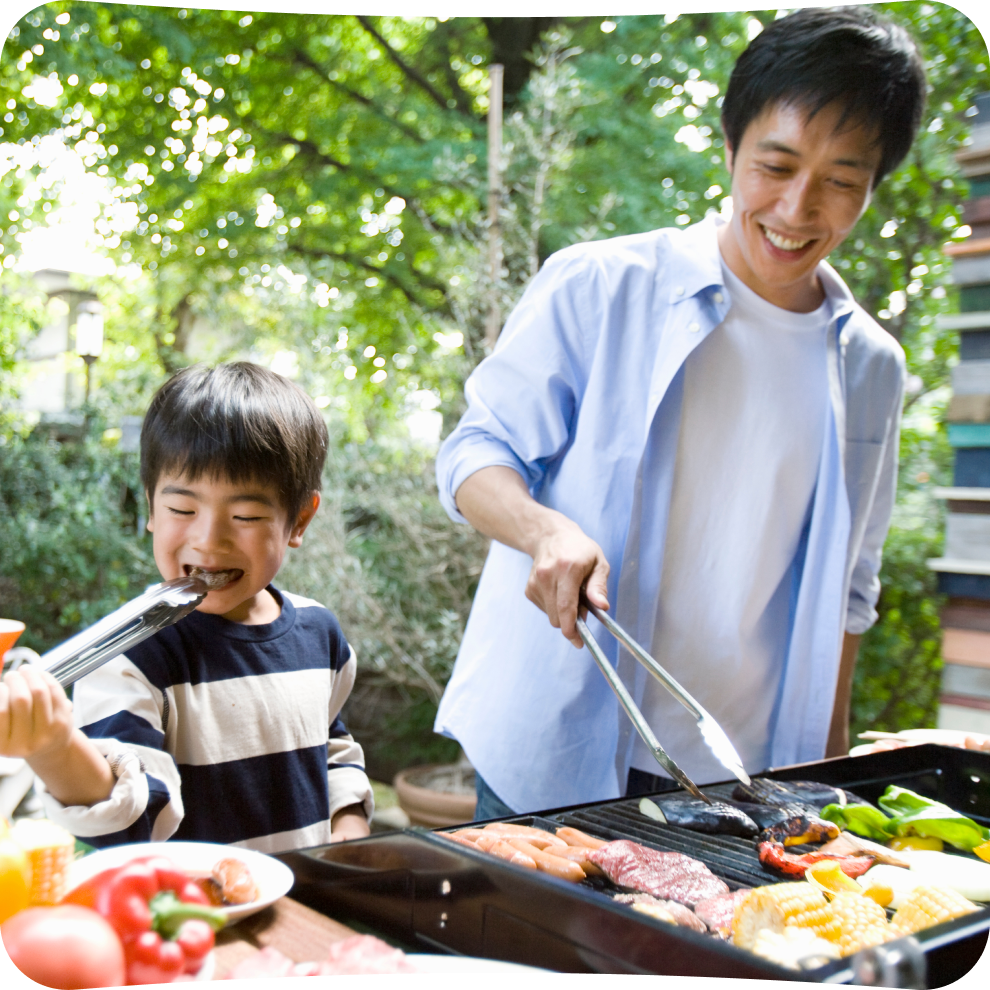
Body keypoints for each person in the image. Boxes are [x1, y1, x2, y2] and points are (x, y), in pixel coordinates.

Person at [435, 7, 927, 819]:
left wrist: (829, 782)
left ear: (871, 190)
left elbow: (850, 594)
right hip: (557, 757)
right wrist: (544, 531)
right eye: (775, 165)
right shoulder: (600, 285)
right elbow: (474, 457)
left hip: (743, 775)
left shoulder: (870, 366)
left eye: (841, 181)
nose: (799, 208)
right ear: (730, 149)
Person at [0, 363, 373, 851]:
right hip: (190, 918)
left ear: (298, 520)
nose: (209, 537)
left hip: (308, 909)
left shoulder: (319, 633)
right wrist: (53, 747)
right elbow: (128, 818)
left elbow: (329, 745)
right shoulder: (131, 656)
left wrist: (350, 826)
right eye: (182, 509)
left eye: (246, 515)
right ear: (151, 509)